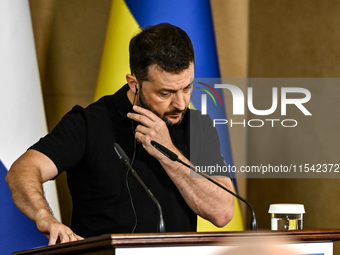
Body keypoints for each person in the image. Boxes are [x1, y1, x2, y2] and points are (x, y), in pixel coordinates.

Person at [6, 23, 234, 245]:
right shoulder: (88, 123)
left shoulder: (198, 126)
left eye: (187, 88)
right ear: (134, 84)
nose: (182, 103)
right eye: (166, 93)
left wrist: (167, 152)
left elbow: (222, 212)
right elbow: (22, 171)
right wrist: (45, 217)